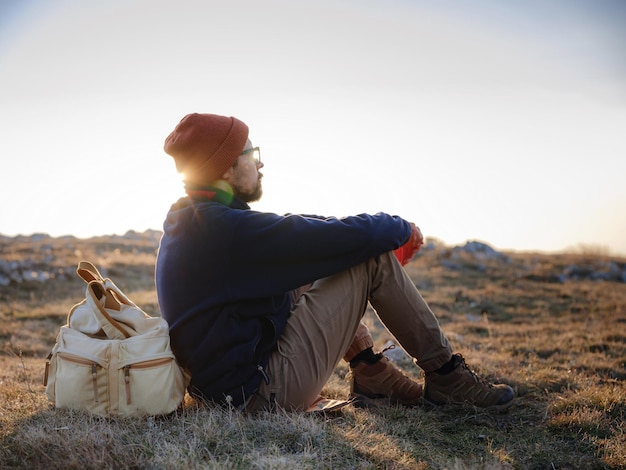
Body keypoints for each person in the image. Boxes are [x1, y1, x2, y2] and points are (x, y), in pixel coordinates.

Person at [155, 112, 515, 413]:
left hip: (223, 391)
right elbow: (342, 237)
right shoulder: (227, 230)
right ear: (225, 166)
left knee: (310, 264)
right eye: (251, 153)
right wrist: (400, 228)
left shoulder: (196, 223)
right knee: (369, 259)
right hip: (254, 397)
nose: (260, 162)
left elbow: (307, 230)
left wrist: (371, 235)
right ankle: (447, 376)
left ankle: (370, 371)